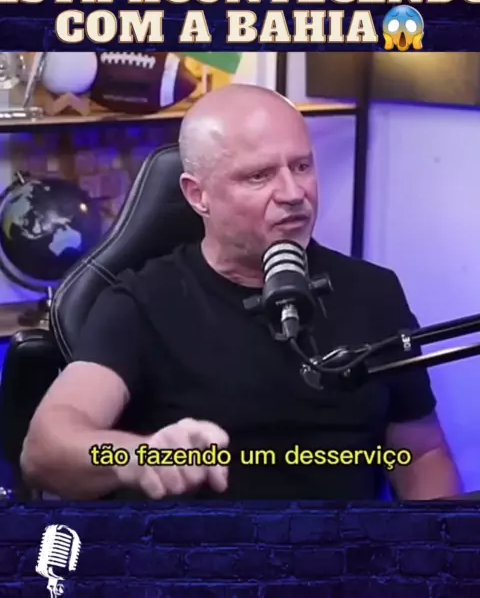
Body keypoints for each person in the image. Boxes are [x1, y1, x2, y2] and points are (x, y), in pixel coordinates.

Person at [20, 84, 462, 502]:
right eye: (259, 176)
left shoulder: (374, 291)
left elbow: (421, 452)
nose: (293, 193)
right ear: (198, 195)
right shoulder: (140, 303)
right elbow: (45, 450)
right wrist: (137, 457)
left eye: (302, 166)